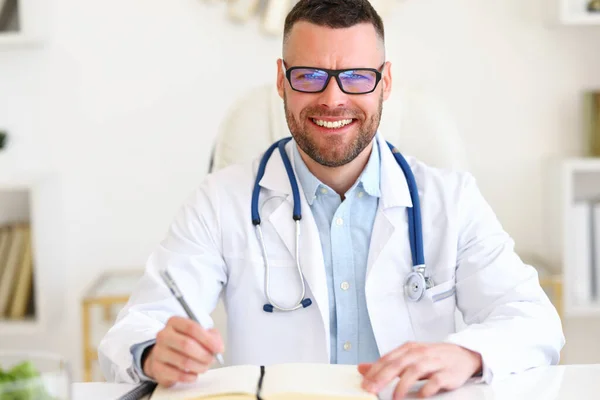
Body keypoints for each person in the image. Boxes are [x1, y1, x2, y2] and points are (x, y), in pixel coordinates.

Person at [98, 0, 565, 398]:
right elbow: (137, 327)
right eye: (310, 76)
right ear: (281, 81)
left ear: (385, 82)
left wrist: (465, 353)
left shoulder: (450, 199)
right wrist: (156, 350)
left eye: (357, 77)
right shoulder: (220, 201)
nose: (332, 97)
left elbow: (533, 322)